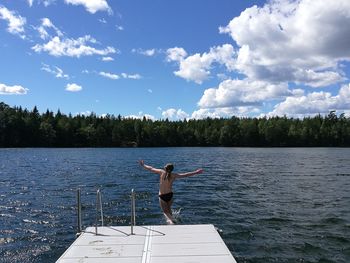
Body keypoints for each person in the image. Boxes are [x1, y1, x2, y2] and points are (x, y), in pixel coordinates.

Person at [139, 160, 203, 224]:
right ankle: (172, 219)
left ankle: (171, 222)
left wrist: (143, 165)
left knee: (165, 212)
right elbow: (185, 175)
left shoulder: (161, 172)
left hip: (162, 196)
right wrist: (196, 172)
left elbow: (151, 168)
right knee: (169, 210)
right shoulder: (174, 175)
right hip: (170, 195)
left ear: (165, 168)